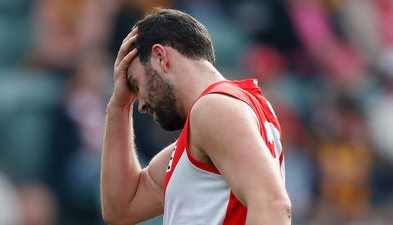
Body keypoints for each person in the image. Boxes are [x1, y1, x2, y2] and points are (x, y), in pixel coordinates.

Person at [101, 8, 291, 225]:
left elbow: (272, 205)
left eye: (135, 84)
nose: (141, 104)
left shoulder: (214, 108)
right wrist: (119, 106)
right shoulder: (222, 113)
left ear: (160, 57)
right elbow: (121, 208)